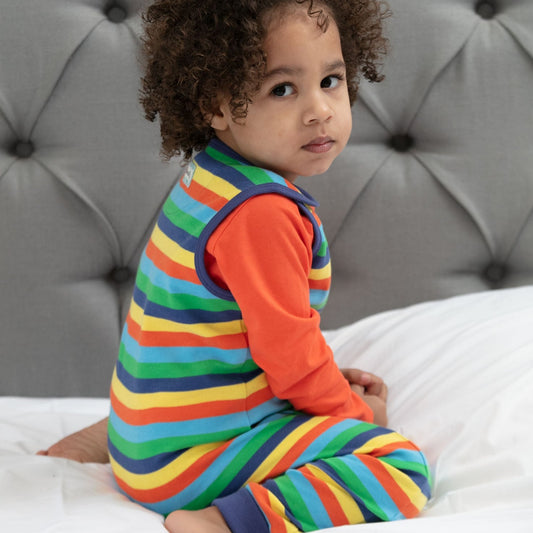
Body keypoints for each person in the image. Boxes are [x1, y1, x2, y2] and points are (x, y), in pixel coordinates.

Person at [39, 1, 432, 532]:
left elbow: (229, 335)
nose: (319, 110)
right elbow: (289, 358)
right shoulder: (262, 213)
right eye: (283, 89)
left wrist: (330, 382)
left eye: (330, 80)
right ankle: (224, 521)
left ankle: (120, 437)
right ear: (216, 106)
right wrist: (354, 414)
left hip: (151, 437)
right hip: (188, 465)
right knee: (400, 465)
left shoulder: (211, 177)